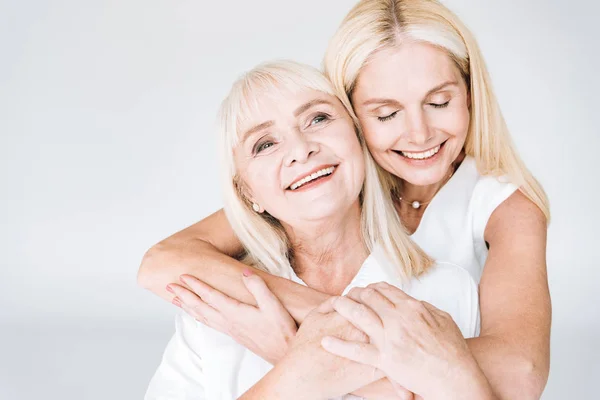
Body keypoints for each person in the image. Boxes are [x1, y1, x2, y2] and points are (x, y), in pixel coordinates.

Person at [139, 0, 551, 398]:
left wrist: (302, 342)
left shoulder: (497, 217)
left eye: (439, 102)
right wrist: (319, 316)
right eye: (386, 114)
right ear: (353, 116)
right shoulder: (319, 185)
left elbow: (517, 377)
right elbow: (163, 262)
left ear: (470, 96)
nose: (420, 134)